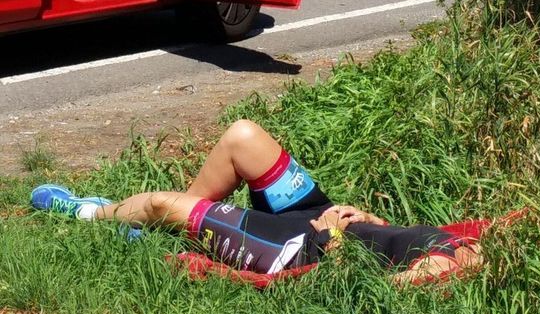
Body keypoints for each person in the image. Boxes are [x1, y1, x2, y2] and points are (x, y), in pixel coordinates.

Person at [31, 118, 482, 284]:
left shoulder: (443, 275)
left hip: (297, 248)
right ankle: (168, 224)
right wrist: (366, 217)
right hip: (323, 218)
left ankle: (88, 211)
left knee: (158, 206)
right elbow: (390, 239)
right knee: (242, 136)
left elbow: (367, 290)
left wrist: (333, 239)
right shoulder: (470, 247)